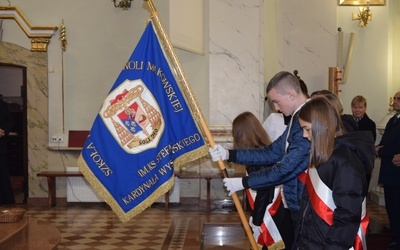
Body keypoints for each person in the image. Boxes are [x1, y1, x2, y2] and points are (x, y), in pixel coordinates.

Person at [209, 71, 311, 249]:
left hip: (308, 204)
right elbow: (272, 152)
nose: (277, 109)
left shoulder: (309, 119)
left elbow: (286, 169)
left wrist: (244, 182)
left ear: (291, 94)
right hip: (297, 202)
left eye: (276, 102)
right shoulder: (298, 118)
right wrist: (230, 154)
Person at [294, 97, 374, 249]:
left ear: (322, 126)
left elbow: (347, 217)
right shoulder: (324, 155)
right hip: (314, 240)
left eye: (307, 129)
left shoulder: (345, 161)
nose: (304, 135)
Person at [232, 111, 286, 250]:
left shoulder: (256, 157)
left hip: (267, 213)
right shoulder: (263, 150)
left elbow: (263, 191)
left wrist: (256, 220)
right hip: (266, 210)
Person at [376, 91, 400, 250]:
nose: (394, 102)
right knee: (391, 208)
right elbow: (385, 142)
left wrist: (381, 150)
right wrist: (381, 149)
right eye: (395, 99)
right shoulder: (393, 119)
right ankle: (396, 235)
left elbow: (394, 146)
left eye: (398, 99)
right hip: (390, 172)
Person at [0, 97, 15, 205]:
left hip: (0, 147)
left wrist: (3, 130)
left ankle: (6, 203)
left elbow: (9, 121)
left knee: (2, 176)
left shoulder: (2, 104)